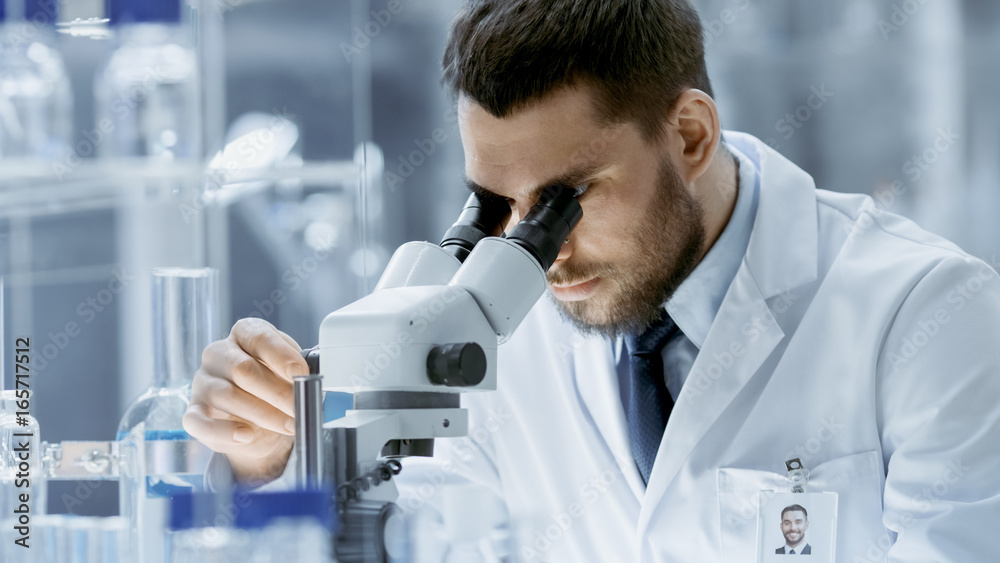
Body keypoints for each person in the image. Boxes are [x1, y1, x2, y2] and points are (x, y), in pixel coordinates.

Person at [183, 0, 1000, 560]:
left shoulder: (929, 315)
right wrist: (272, 454)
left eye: (565, 201)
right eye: (498, 204)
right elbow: (420, 526)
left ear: (688, 134)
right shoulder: (502, 324)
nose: (545, 254)